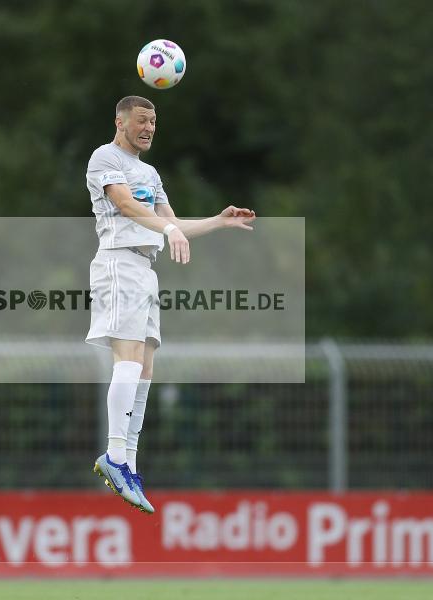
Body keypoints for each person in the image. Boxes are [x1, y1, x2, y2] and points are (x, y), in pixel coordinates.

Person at [85, 96, 256, 513]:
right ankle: (114, 456)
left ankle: (129, 465)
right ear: (120, 121)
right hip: (118, 262)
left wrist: (218, 221)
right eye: (142, 120)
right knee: (126, 360)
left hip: (144, 269)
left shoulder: (151, 173)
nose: (149, 128)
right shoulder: (105, 157)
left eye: (155, 122)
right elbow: (125, 205)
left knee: (145, 368)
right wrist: (167, 229)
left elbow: (172, 224)